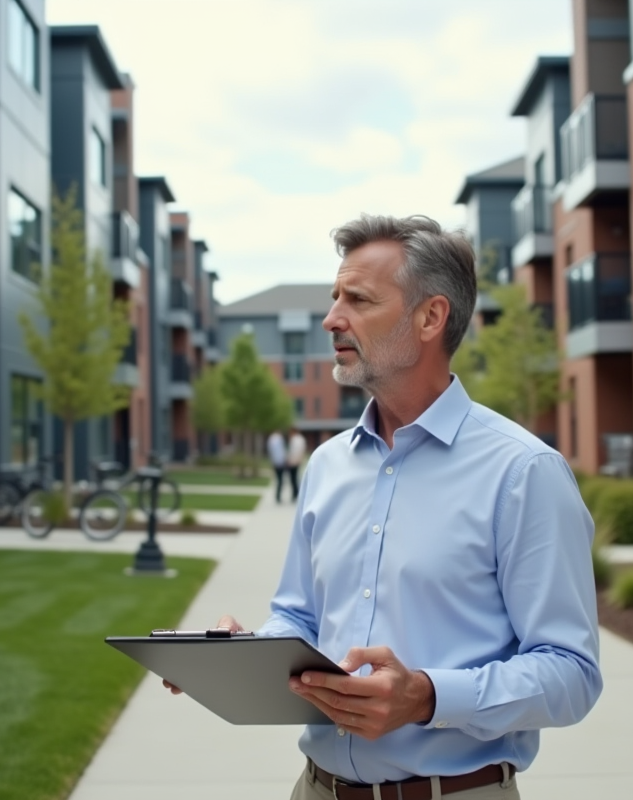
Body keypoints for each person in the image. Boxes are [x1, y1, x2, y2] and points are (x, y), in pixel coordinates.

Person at [167, 214, 601, 800]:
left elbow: (572, 673)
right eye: (334, 298)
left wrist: (427, 697)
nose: (331, 318)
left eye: (358, 299)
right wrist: (248, 657)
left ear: (430, 317)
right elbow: (298, 616)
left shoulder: (523, 472)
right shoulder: (327, 466)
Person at [286, 427, 307, 501]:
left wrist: (290, 460)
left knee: (293, 479)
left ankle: (295, 493)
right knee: (295, 478)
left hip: (293, 461)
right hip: (297, 461)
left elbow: (293, 451)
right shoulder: (301, 439)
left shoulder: (294, 439)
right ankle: (296, 493)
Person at [267, 428, 288, 503]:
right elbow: (281, 451)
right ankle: (278, 496)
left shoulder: (271, 439)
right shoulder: (279, 439)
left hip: (276, 462)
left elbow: (271, 451)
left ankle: (278, 496)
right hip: (279, 462)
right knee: (280, 480)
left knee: (279, 480)